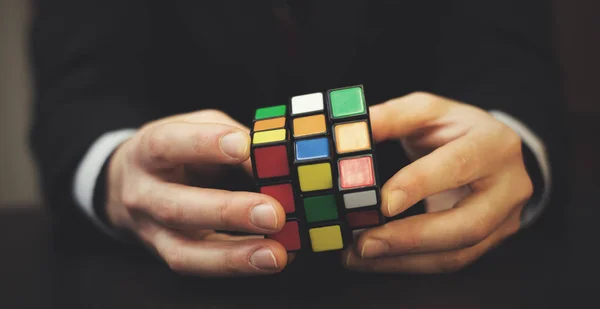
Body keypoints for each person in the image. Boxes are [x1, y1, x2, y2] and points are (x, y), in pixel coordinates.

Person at [29, 0, 566, 277]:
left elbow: (514, 62)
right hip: (157, 277)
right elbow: (77, 93)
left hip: (458, 273)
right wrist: (118, 169)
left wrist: (510, 149)